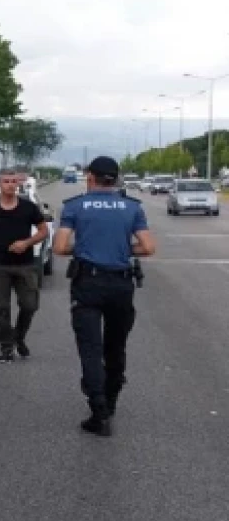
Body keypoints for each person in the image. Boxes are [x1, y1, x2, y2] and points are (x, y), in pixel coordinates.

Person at [53, 156, 156, 437]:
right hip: (121, 285)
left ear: (90, 177)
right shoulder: (132, 207)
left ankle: (98, 412)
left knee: (90, 347)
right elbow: (148, 248)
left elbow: (60, 247)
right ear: (116, 178)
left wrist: (85, 247)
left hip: (88, 283)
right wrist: (121, 248)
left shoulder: (75, 206)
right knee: (115, 346)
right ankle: (111, 402)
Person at [0, 168, 49, 363]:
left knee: (30, 305)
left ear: (18, 183)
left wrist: (26, 243)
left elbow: (43, 231)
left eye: (13, 181)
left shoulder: (28, 208)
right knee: (0, 308)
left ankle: (18, 337)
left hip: (25, 265)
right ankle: (6, 347)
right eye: (6, 181)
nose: (10, 185)